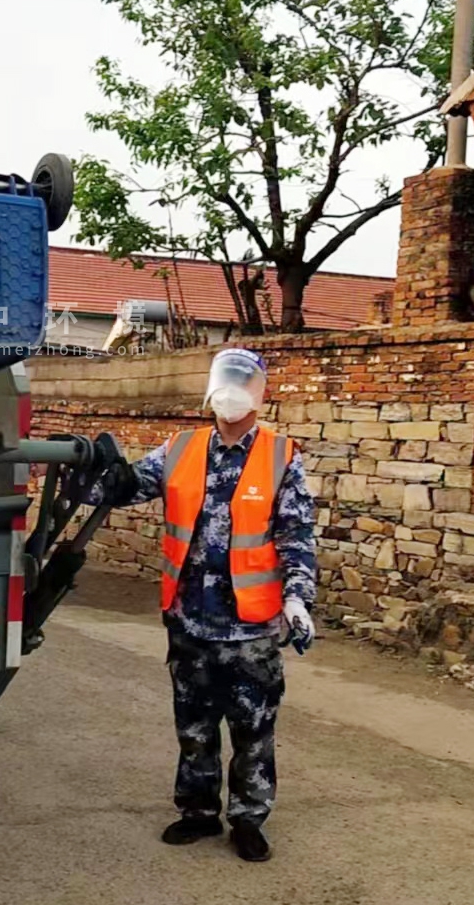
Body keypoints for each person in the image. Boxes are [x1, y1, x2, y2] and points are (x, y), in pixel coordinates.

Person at [107, 348, 317, 862]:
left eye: (242, 381)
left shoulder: (281, 456)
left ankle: (248, 818)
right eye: (225, 379)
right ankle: (198, 812)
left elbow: (297, 536)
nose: (230, 391)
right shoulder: (180, 448)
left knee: (253, 728)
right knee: (194, 725)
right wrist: (96, 466)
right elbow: (127, 487)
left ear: (259, 392)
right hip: (190, 619)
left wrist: (298, 599)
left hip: (251, 625)